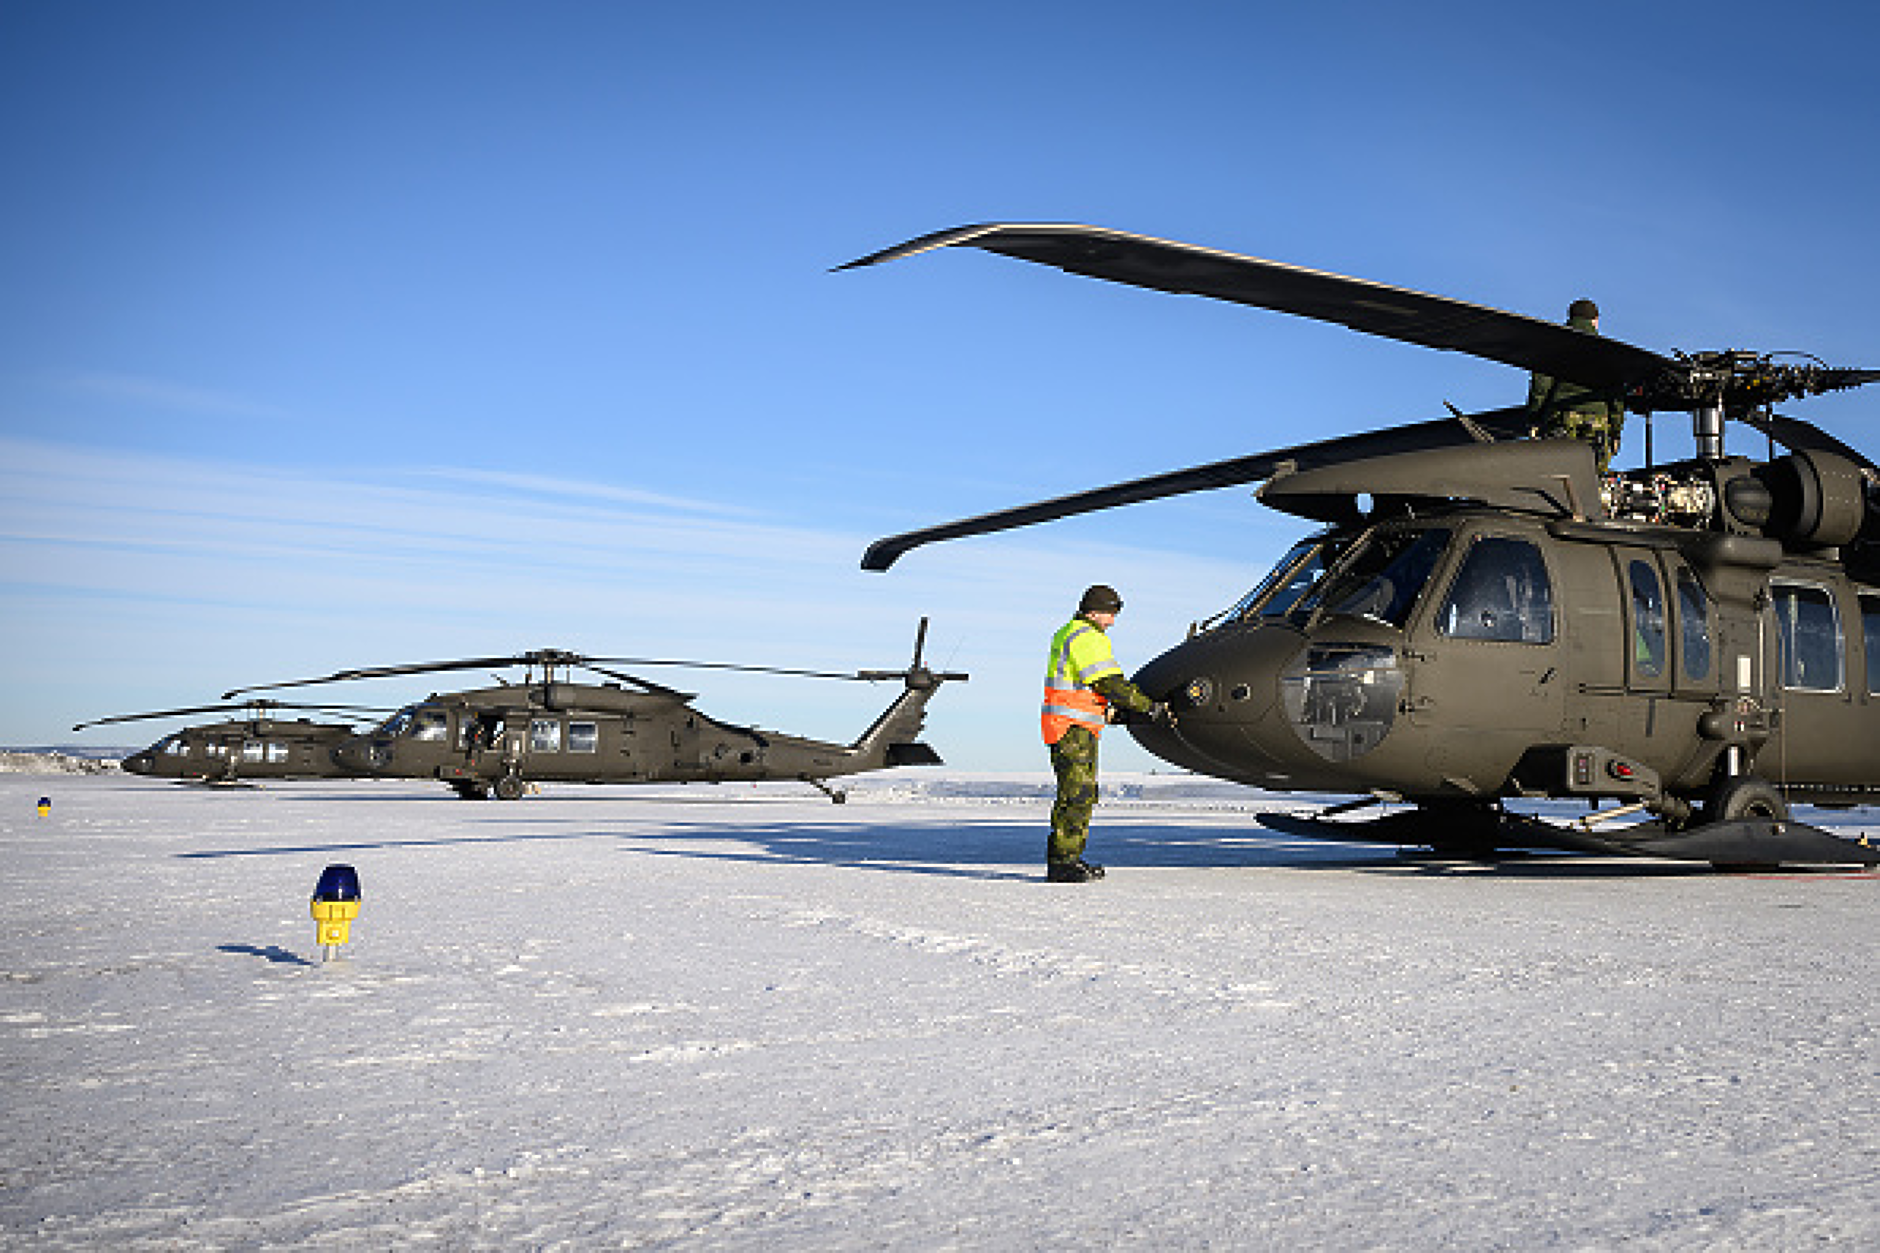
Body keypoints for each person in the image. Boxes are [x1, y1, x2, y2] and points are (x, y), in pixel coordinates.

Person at [1041, 584, 1168, 883]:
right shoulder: (1086, 637)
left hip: (1074, 724)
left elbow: (1084, 688)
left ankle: (1069, 859)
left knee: (1079, 794)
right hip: (1071, 727)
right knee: (1077, 794)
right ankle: (1063, 863)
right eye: (1110, 614)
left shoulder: (1069, 632)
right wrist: (1147, 706)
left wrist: (1109, 711)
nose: (1112, 622)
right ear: (1094, 612)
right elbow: (1107, 682)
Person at [1526, 297, 1626, 473]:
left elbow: (1540, 387)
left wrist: (1534, 420)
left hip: (1563, 416)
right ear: (1595, 320)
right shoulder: (1608, 351)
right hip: (1598, 420)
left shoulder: (1555, 344)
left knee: (1559, 473)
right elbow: (1616, 397)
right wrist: (1615, 432)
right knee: (1593, 475)